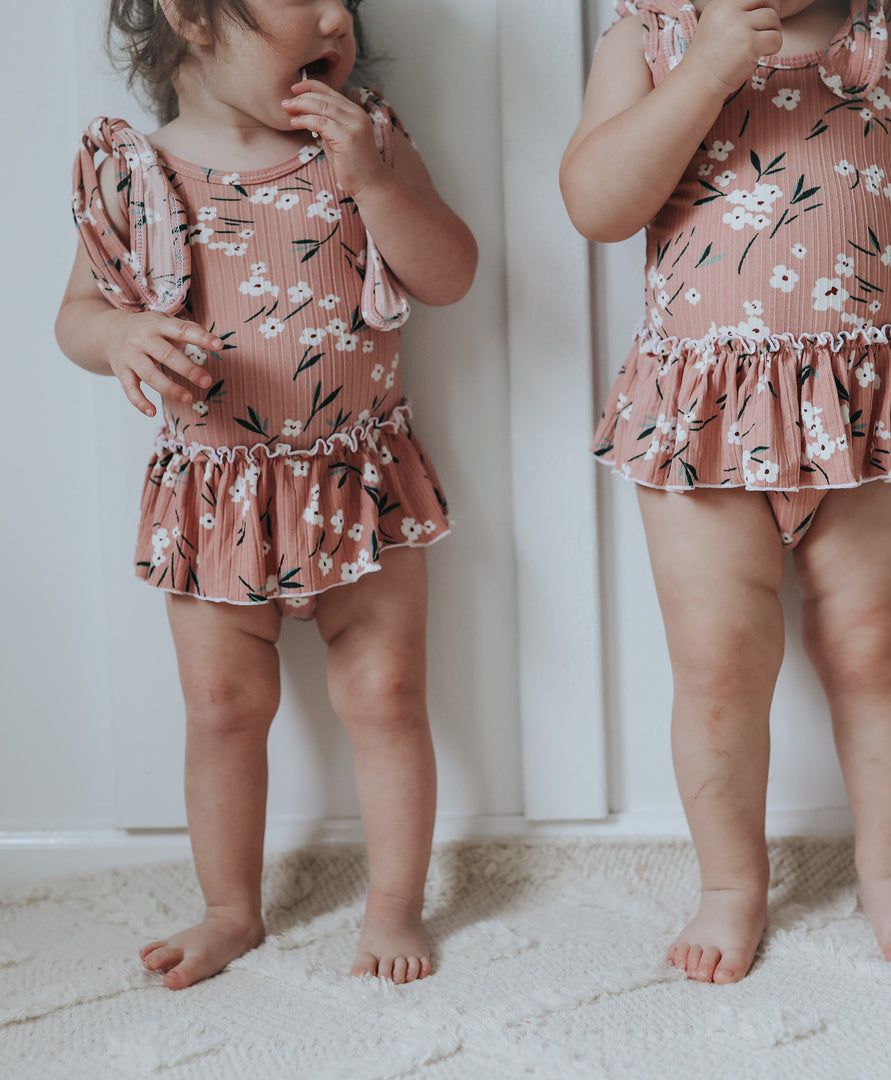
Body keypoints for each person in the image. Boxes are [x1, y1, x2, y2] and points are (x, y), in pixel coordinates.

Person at [561, 0, 891, 984]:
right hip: (703, 408)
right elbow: (597, 203)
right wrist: (706, 71)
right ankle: (729, 885)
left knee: (877, 647)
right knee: (719, 664)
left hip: (865, 401)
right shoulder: (652, 35)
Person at [55, 0, 477, 989]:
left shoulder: (363, 140)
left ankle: (393, 904)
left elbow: (449, 273)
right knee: (221, 707)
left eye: (349, 0)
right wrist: (118, 338)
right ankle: (229, 908)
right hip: (214, 495)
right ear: (192, 17)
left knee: (386, 693)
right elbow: (76, 314)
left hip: (357, 477)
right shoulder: (135, 170)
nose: (339, 17)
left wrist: (375, 177)